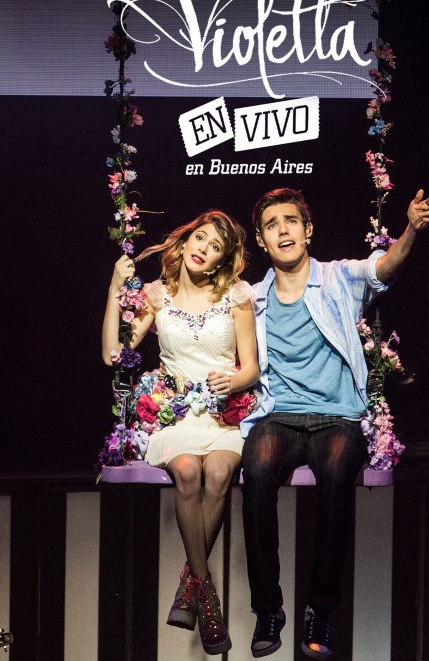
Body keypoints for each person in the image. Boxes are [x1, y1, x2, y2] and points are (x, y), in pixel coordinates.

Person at [239, 187, 429, 659]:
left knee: (335, 473)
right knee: (257, 471)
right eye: (271, 225)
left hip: (338, 417)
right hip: (279, 416)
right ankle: (268, 609)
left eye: (291, 221)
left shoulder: (337, 278)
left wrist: (411, 229)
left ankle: (320, 610)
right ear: (261, 241)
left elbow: (383, 267)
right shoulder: (251, 298)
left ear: (308, 230)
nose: (283, 230)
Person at [102, 209, 260, 656]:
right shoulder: (156, 294)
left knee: (219, 474)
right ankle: (206, 595)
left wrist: (235, 379)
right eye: (201, 238)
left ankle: (191, 584)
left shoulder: (237, 296)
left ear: (222, 260)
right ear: (187, 239)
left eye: (216, 248)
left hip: (223, 418)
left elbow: (251, 367)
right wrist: (115, 289)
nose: (204, 249)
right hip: (176, 418)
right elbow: (114, 353)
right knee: (189, 472)